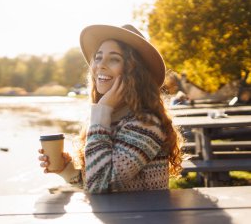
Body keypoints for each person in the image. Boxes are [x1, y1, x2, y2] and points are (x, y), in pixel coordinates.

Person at [38, 24, 183, 193]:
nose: (101, 65)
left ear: (134, 72)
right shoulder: (112, 117)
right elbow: (97, 183)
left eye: (114, 59)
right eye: (98, 57)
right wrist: (65, 169)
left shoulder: (145, 124)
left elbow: (99, 185)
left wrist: (102, 109)